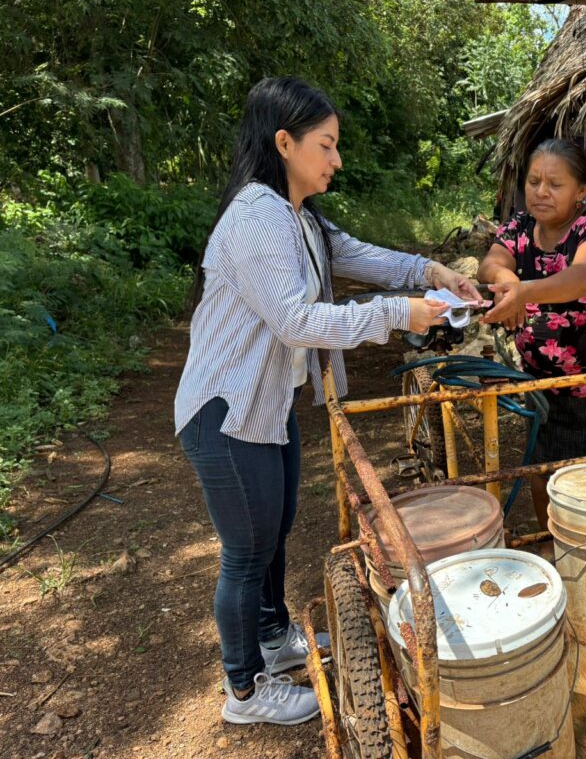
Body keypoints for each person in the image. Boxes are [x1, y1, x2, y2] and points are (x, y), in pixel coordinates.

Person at [174, 76, 480, 726]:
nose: (336, 159)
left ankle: (272, 636)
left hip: (264, 405)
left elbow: (361, 256)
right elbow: (296, 321)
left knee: (274, 528)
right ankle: (244, 691)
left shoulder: (300, 217)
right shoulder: (257, 216)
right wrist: (398, 313)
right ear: (284, 143)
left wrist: (431, 273)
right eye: (327, 144)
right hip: (224, 411)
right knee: (245, 549)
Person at [478, 138, 586, 530]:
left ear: (582, 191)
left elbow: (580, 278)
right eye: (534, 181)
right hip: (544, 386)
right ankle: (554, 547)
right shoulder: (520, 227)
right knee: (546, 475)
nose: (541, 191)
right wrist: (506, 277)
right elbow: (491, 263)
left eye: (555, 184)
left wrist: (522, 291)